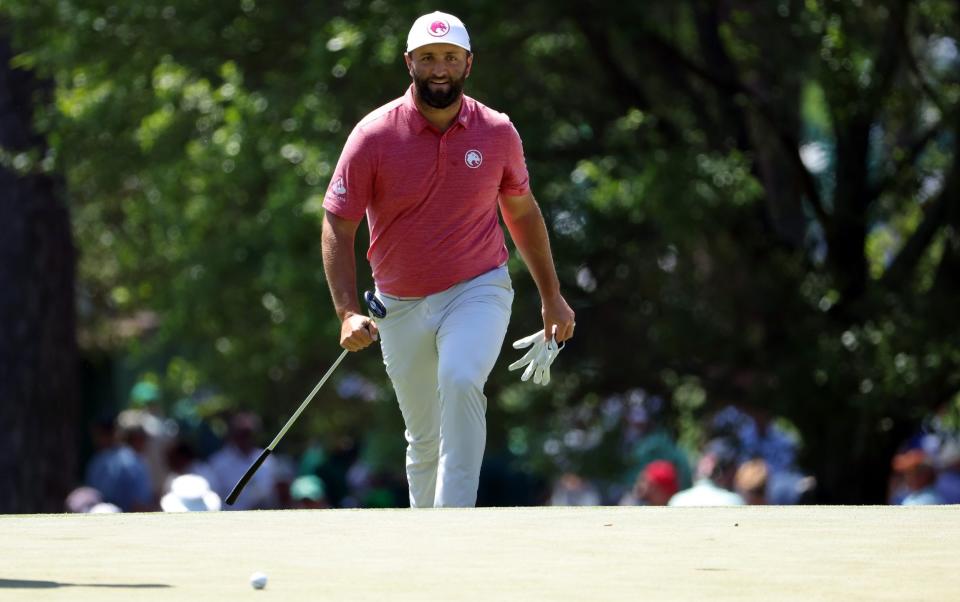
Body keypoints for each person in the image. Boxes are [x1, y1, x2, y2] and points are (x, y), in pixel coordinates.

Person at [321, 11, 575, 508]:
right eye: (430, 58)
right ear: (410, 62)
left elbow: (521, 212)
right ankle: (428, 542)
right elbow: (338, 222)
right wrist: (347, 311)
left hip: (477, 286)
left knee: (460, 380)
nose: (440, 68)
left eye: (451, 58)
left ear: (468, 64)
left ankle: (454, 523)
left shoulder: (497, 131)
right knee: (423, 436)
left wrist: (552, 296)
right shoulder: (373, 135)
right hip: (398, 302)